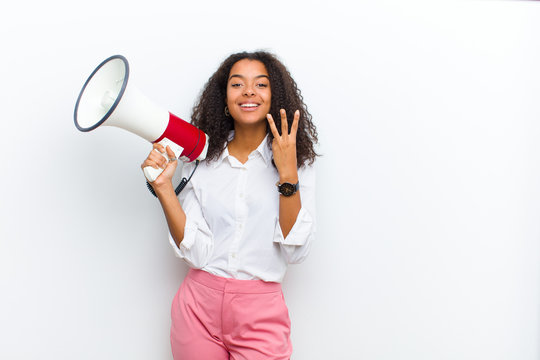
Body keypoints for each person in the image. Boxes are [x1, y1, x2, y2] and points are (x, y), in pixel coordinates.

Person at [141, 51, 318, 360]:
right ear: (224, 98)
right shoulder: (201, 160)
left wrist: (287, 173)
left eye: (260, 84)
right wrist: (164, 188)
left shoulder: (297, 161)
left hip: (260, 312)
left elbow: (296, 251)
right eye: (237, 84)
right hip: (197, 307)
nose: (249, 91)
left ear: (273, 96)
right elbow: (195, 253)